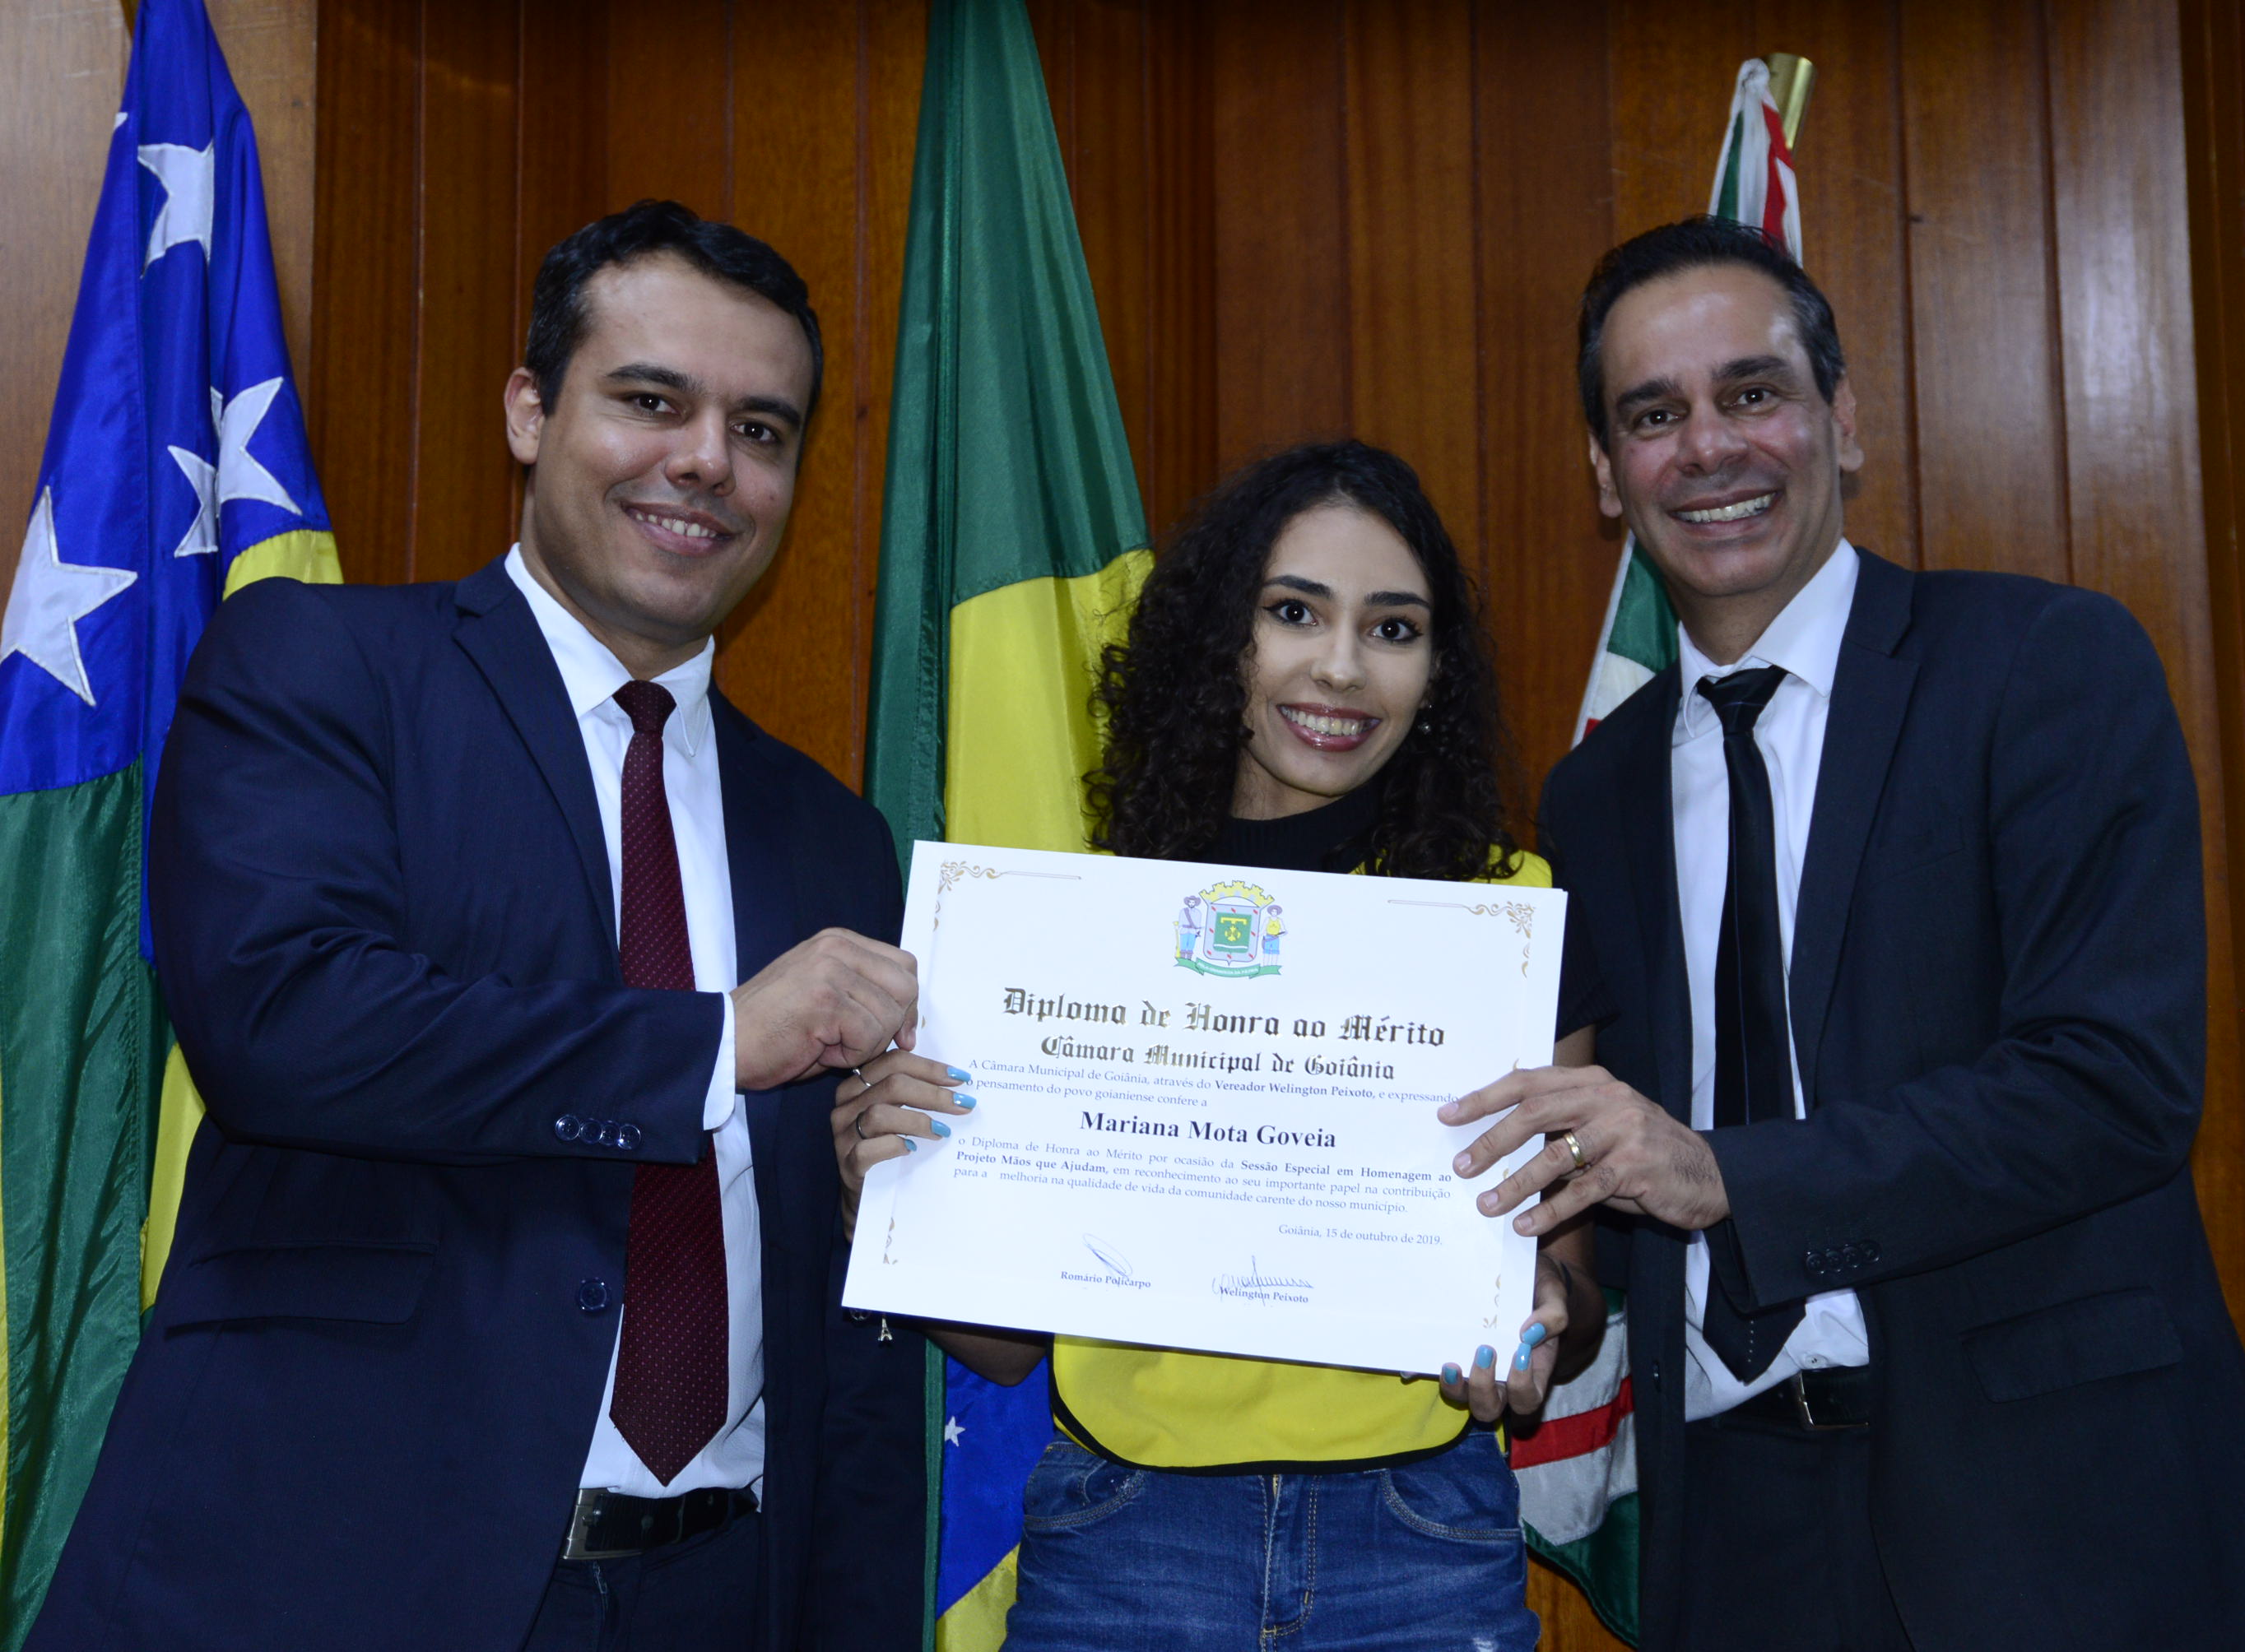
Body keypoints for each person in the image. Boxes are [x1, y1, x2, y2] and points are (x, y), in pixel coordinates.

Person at [1447, 218, 2245, 1651]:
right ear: (1607, 474)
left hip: (2054, 1517)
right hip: (1733, 1538)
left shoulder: (2042, 665)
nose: (1709, 446)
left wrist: (1727, 1177)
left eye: (1753, 392)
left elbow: (2114, 1083)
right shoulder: (1589, 798)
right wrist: (1535, 1300)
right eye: (1654, 415)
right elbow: (1619, 1193)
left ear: (1845, 418)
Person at [30, 202, 932, 1652]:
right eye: (653, 401)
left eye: (760, 430)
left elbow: (849, 1307)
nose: (708, 461)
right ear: (529, 411)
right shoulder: (321, 668)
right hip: (341, 1577)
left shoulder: (833, 837)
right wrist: (716, 1044)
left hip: (721, 1591)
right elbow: (283, 1025)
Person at [832, 440, 1605, 1651]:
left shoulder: (1509, 917)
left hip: (1421, 1537)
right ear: (1217, 637)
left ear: (1437, 670)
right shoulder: (1066, 923)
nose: (1340, 666)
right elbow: (1005, 1342)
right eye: (1293, 612)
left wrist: (1549, 1315)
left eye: (1393, 628)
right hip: (1123, 1534)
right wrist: (880, 1201)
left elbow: (1570, 1281)